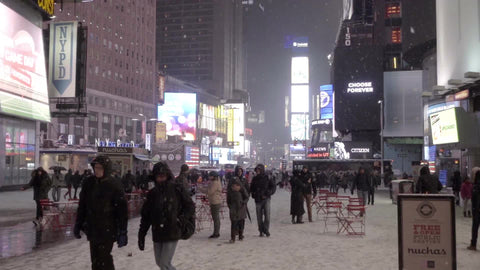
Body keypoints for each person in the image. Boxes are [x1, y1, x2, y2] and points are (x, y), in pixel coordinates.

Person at [73, 155, 128, 270]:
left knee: (104, 258)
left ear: (106, 169)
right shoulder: (89, 183)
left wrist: (122, 230)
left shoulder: (114, 185)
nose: (97, 171)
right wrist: (78, 224)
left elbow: (122, 210)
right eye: (95, 168)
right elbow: (82, 205)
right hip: (92, 228)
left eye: (100, 168)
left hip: (108, 228)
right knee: (95, 259)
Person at [138, 162, 195, 269]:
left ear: (167, 175)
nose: (160, 179)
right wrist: (141, 235)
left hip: (172, 230)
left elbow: (190, 206)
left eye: (163, 176)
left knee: (164, 263)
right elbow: (146, 216)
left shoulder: (177, 189)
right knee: (159, 262)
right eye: (158, 176)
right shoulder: (152, 193)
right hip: (157, 231)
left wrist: (180, 220)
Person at [250, 164, 276, 237]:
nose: (257, 171)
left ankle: (266, 229)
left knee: (267, 216)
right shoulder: (255, 179)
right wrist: (254, 194)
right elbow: (251, 189)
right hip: (258, 200)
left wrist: (268, 193)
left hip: (266, 199)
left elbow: (273, 187)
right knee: (259, 217)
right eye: (257, 170)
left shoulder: (267, 177)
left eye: (259, 170)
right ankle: (261, 231)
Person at [198, 171, 223, 238]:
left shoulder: (215, 183)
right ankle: (216, 232)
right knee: (216, 218)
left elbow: (210, 191)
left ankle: (216, 233)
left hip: (215, 202)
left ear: (213, 176)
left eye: (210, 176)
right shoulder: (216, 182)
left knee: (216, 218)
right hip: (215, 201)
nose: (209, 177)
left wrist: (201, 189)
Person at [468, 171, 480, 251]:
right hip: (477, 209)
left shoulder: (476, 186)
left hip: (477, 210)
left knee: (475, 227)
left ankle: (473, 244)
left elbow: (475, 199)